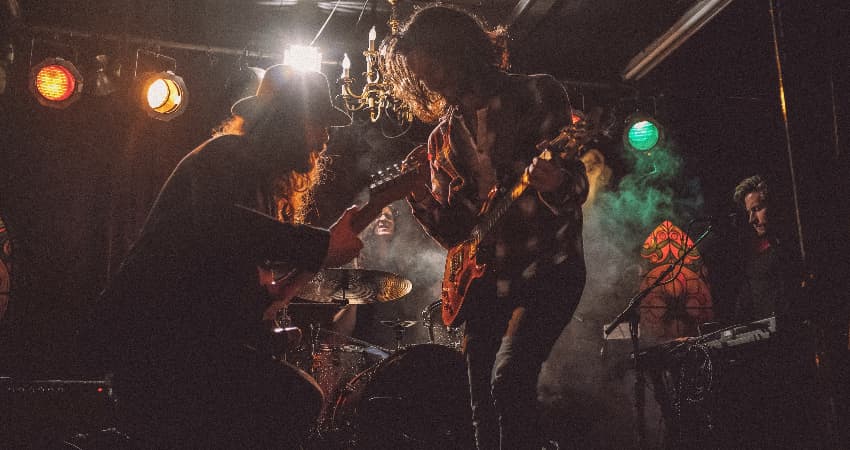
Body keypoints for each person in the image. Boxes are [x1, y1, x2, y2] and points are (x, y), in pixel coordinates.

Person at [79, 64, 364, 449]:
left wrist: (265, 325)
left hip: (187, 347)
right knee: (295, 398)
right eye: (317, 122)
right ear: (286, 122)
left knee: (293, 398)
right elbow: (224, 225)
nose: (325, 137)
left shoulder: (257, 180)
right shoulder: (225, 155)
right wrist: (318, 246)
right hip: (158, 348)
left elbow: (220, 274)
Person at [383, 6, 589, 449]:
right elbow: (456, 234)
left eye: (433, 66)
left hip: (547, 268)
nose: (430, 80)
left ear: (457, 49)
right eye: (420, 75)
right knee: (481, 412)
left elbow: (575, 189)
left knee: (510, 381)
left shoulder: (537, 93)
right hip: (484, 284)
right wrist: (418, 195)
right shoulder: (440, 140)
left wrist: (555, 182)